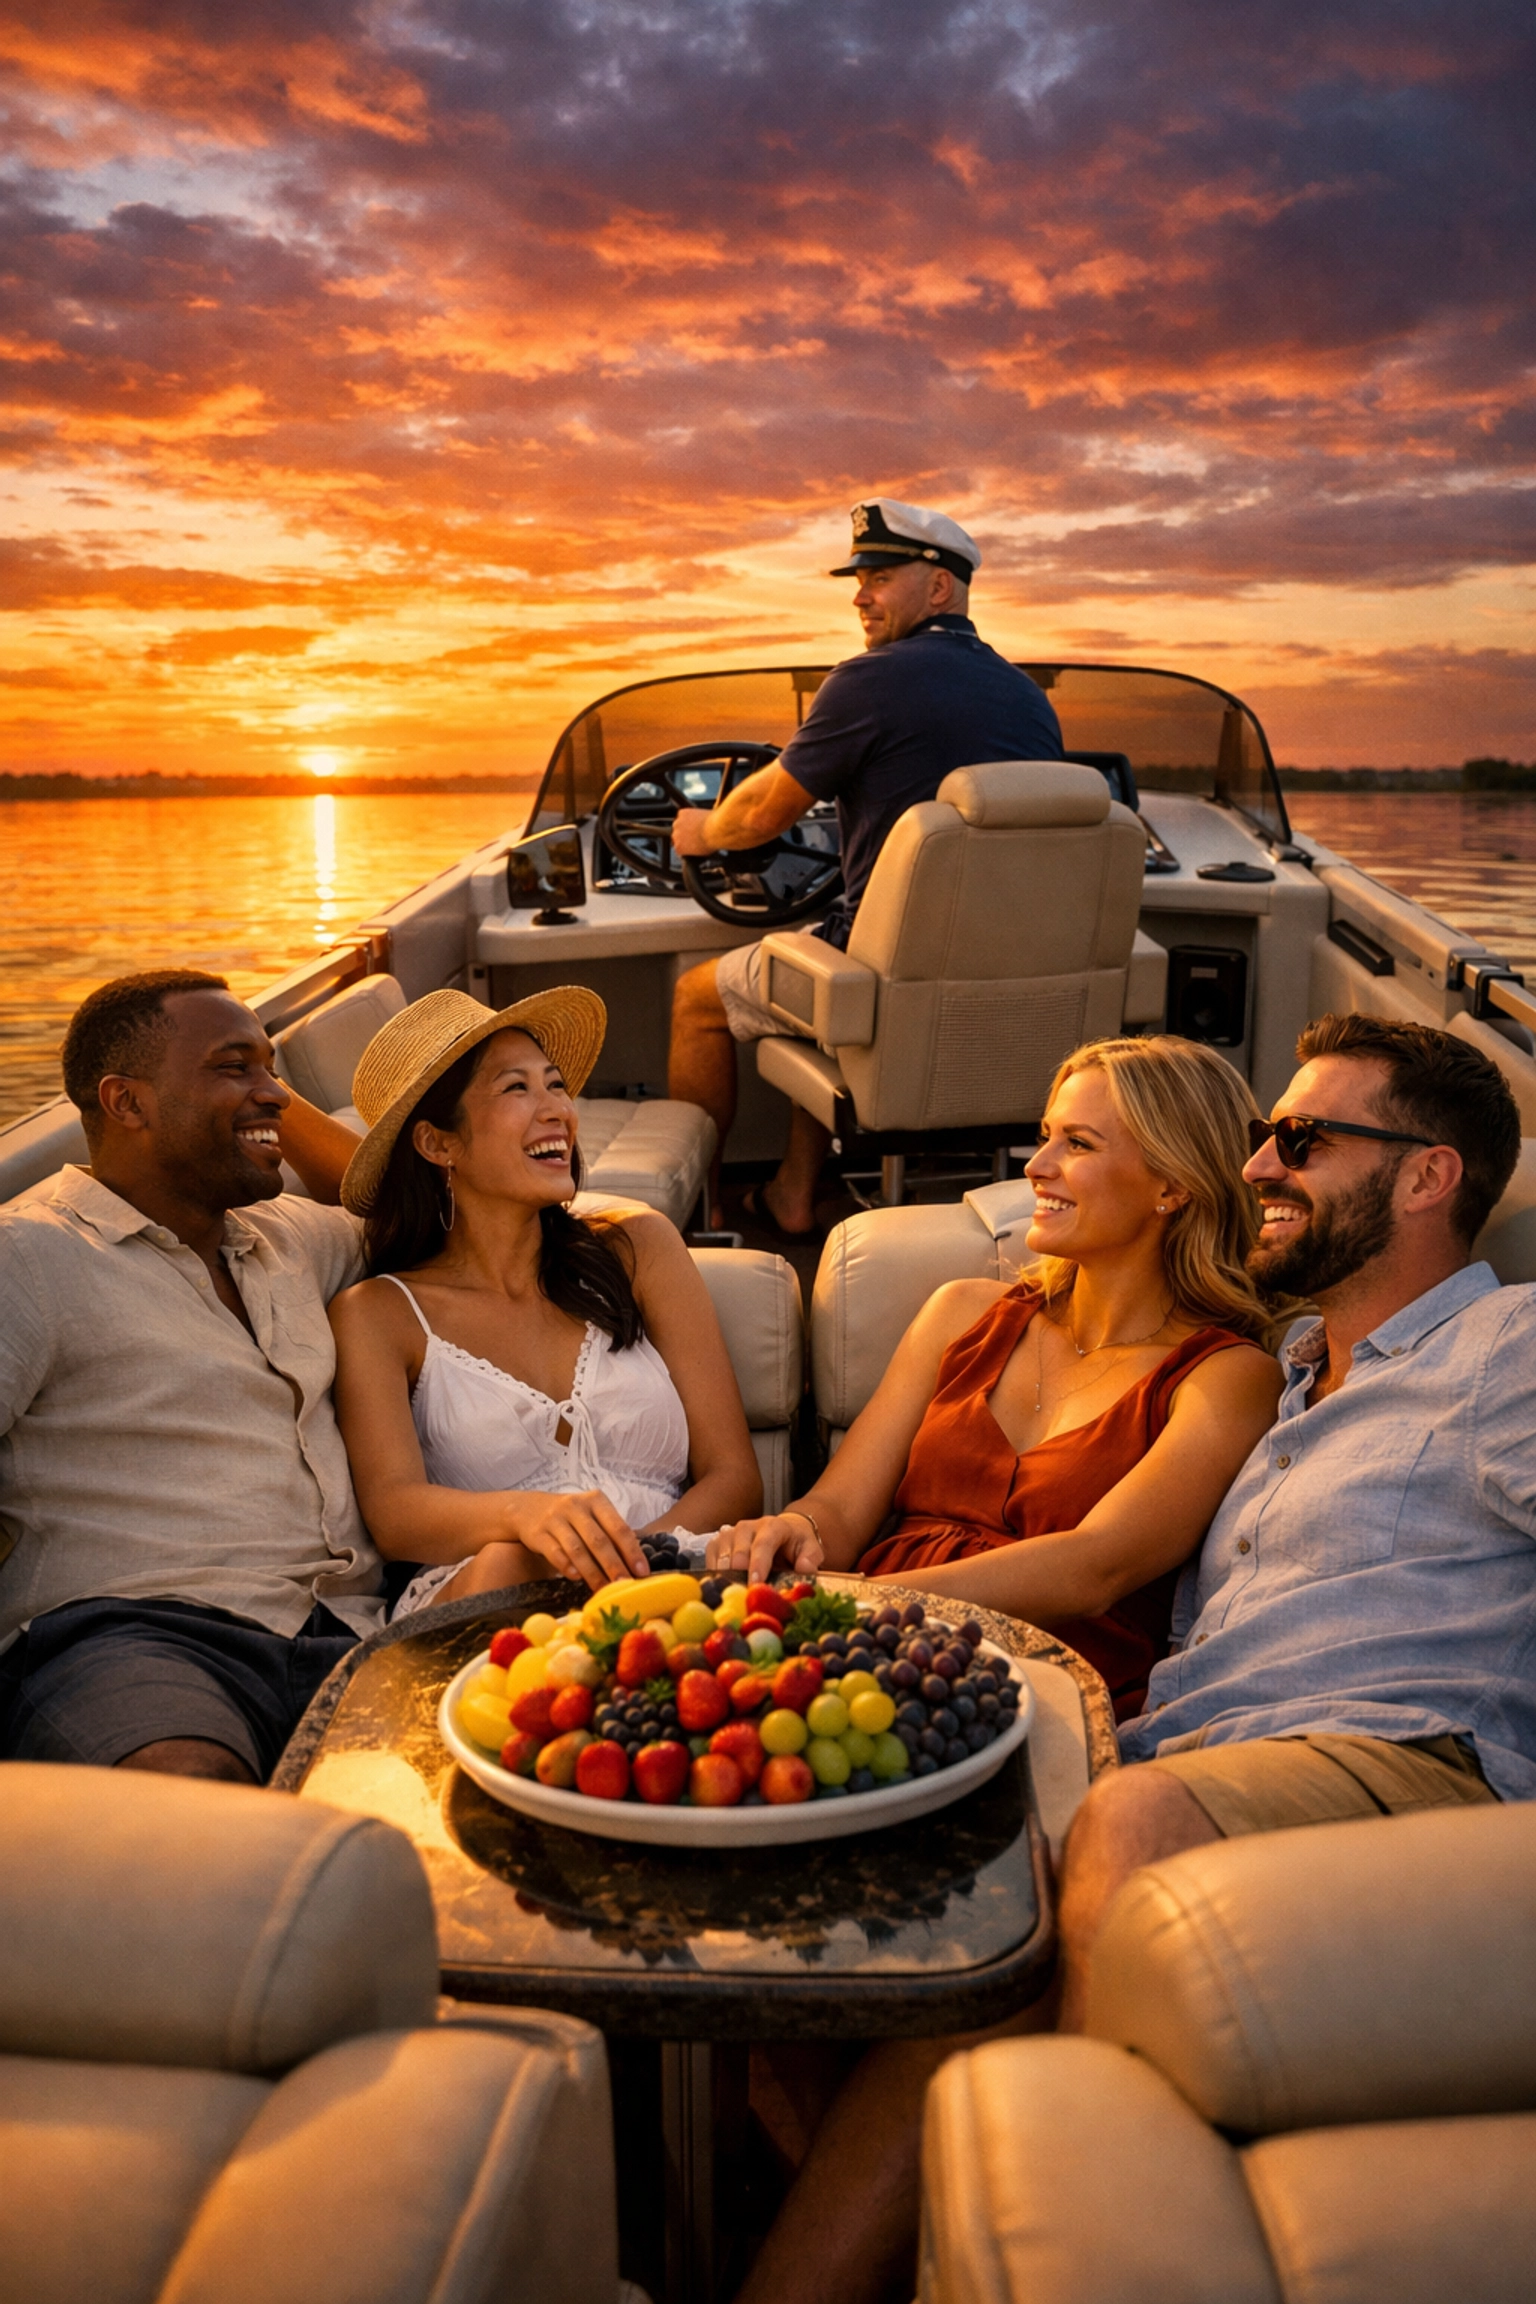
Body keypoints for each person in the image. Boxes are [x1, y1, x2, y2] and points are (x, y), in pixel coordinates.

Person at [728, 1012, 1531, 2304]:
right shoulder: (1297, 1377)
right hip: (1167, 1742)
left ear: (1429, 1176)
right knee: (869, 1939)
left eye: (1303, 1140)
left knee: (1112, 1830)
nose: (1261, 1166)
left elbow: (1097, 1566)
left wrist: (838, 1612)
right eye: (1261, 1137)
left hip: (1386, 1756)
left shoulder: (1504, 1352)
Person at [708, 1034, 1285, 1721]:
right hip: (862, 1660)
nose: (1037, 1167)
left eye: (1078, 1144)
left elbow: (1094, 1568)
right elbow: (838, 1507)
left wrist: (859, 1603)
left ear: (1173, 1185)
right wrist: (794, 1529)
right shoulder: (962, 1313)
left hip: (1041, 1690)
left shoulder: (1227, 1377)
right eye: (1045, 1137)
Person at [0, 969, 381, 1784]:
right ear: (126, 1102)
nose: (275, 1093)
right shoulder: (27, 1256)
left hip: (352, 1630)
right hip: (134, 1638)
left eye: (274, 1067)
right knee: (190, 1793)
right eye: (232, 1066)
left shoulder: (286, 1236)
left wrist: (260, 1100)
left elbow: (414, 1208)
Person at [668, 498, 1064, 1237]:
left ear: (939, 587)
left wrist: (702, 832)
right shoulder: (1027, 699)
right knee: (812, 967)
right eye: (859, 581)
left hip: (881, 982)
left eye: (879, 578)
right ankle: (793, 1191)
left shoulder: (867, 681)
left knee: (698, 997)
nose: (860, 596)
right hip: (1004, 985)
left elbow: (763, 814)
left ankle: (701, 1213)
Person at [327, 987, 762, 1608]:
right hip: (491, 1603)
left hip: (674, 1576)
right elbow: (395, 1513)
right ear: (437, 1144)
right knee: (510, 1559)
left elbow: (734, 1477)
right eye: (517, 1088)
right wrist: (522, 1516)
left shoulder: (638, 1248)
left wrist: (634, 1572)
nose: (558, 1109)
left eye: (555, 1085)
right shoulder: (378, 1313)